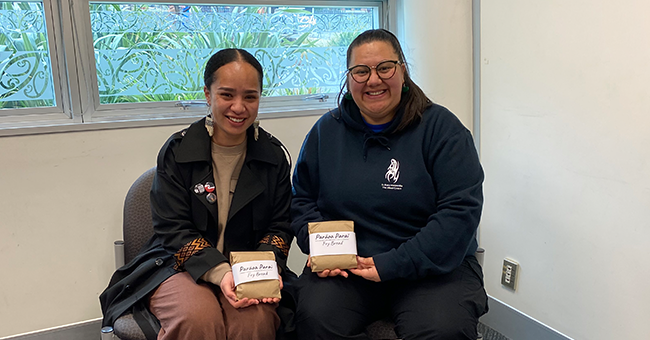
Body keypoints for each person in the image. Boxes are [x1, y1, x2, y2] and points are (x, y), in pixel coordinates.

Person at [291, 29, 488, 339]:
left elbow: (459, 213)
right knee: (314, 317)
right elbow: (302, 200)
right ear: (349, 77)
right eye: (361, 71)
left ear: (403, 69)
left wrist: (393, 263)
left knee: (444, 329)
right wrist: (321, 249)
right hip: (350, 268)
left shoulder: (442, 130)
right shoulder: (325, 132)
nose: (373, 80)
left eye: (385, 67)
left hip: (432, 268)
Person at [100, 48, 295, 340]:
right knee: (198, 317)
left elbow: (280, 226)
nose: (239, 107)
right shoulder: (178, 152)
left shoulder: (274, 156)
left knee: (253, 321)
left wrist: (258, 271)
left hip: (249, 266)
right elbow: (172, 228)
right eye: (227, 95)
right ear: (208, 94)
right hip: (177, 265)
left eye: (250, 96)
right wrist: (220, 272)